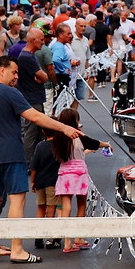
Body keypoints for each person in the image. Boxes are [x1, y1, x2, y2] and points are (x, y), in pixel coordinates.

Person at [0, 55, 81, 264]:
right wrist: (64, 127)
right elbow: (36, 117)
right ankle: (17, 249)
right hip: (11, 154)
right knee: (16, 200)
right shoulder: (11, 93)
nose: (16, 77)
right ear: (2, 70)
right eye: (14, 72)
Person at [52, 108, 111, 253]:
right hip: (79, 173)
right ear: (75, 121)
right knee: (81, 205)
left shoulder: (58, 137)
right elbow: (94, 143)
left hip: (65, 173)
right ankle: (78, 237)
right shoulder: (78, 135)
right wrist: (107, 144)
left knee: (66, 206)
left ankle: (67, 242)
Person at [16, 27, 51, 162]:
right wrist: (42, 77)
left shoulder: (30, 55)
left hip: (34, 97)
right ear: (33, 40)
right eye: (41, 39)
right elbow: (44, 76)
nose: (43, 42)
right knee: (31, 132)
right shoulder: (27, 57)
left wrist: (41, 76)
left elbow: (42, 76)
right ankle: (28, 161)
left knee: (37, 131)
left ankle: (34, 160)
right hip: (32, 98)